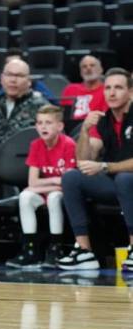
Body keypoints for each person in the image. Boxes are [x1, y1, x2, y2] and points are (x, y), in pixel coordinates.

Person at [58, 68, 133, 270]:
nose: (111, 93)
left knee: (124, 178)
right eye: (108, 88)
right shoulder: (105, 121)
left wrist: (105, 166)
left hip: (127, 181)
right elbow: (84, 159)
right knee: (72, 177)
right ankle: (84, 251)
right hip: (116, 183)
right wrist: (84, 129)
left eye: (118, 87)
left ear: (131, 92)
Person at [6, 105, 75, 269]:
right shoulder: (36, 145)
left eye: (48, 122)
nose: (43, 127)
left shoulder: (69, 145)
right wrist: (55, 181)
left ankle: (55, 248)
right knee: (25, 196)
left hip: (62, 193)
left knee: (53, 197)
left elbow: (68, 182)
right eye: (39, 122)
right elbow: (32, 182)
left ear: (60, 126)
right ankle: (30, 249)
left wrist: (52, 183)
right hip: (46, 190)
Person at [61, 55, 107, 121]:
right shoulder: (70, 89)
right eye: (84, 66)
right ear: (81, 72)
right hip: (72, 129)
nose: (88, 68)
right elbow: (64, 117)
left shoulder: (107, 90)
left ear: (101, 70)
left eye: (92, 65)